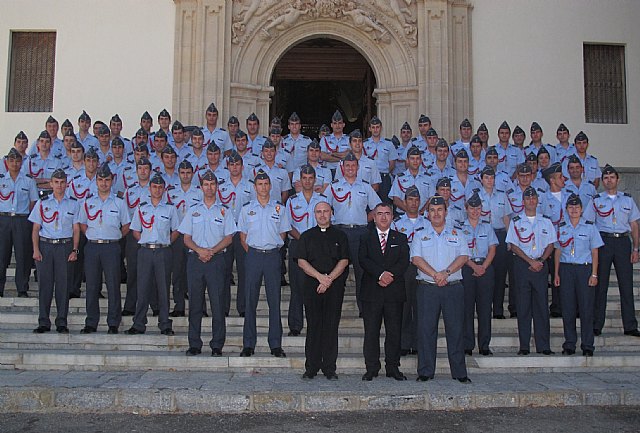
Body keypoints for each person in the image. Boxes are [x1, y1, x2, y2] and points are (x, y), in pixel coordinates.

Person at [411, 194, 471, 383]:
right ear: (427, 214)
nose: (436, 213)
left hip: (452, 287)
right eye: (432, 210)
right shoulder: (420, 234)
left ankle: (460, 372)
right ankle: (426, 371)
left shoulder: (458, 233)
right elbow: (416, 259)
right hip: (428, 288)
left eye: (439, 210)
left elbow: (464, 256)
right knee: (426, 330)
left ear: (446, 212)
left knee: (456, 330)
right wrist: (435, 275)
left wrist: (445, 273)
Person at [179, 170, 236, 356]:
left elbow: (229, 237)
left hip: (216, 260)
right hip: (195, 260)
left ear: (217, 187)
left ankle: (217, 344)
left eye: (212, 184)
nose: (209, 188)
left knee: (218, 304)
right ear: (201, 187)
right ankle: (194, 344)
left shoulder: (224, 211)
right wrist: (200, 251)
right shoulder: (193, 210)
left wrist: (212, 251)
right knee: (195, 304)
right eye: (206, 184)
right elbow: (186, 238)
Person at [237, 170, 291, 357]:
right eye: (260, 184)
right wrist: (254, 252)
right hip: (253, 256)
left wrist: (271, 249)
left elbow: (283, 233)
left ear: (270, 186)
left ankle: (275, 344)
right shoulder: (246, 209)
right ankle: (248, 344)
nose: (263, 187)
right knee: (250, 300)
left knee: (274, 301)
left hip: (272, 256)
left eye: (266, 184)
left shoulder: (279, 208)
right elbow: (243, 236)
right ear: (255, 187)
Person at [293, 201, 350, 380]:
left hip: (334, 286)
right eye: (319, 212)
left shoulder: (341, 236)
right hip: (312, 286)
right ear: (314, 214)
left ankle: (329, 368)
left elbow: (344, 260)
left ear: (331, 213)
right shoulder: (307, 236)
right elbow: (301, 261)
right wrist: (320, 278)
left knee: (331, 326)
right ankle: (311, 367)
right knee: (314, 326)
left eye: (326, 211)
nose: (322, 215)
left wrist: (329, 279)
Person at [326, 152, 381, 317]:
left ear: (358, 168)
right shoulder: (334, 186)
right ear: (342, 168)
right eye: (347, 166)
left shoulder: (365, 186)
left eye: (353, 166)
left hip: (360, 233)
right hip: (339, 232)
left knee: (361, 272)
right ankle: (334, 308)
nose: (350, 168)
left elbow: (378, 207)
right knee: (336, 272)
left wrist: (366, 218)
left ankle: (364, 309)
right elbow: (323, 206)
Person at [359, 203, 409, 381]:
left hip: (394, 292)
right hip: (372, 291)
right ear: (373, 216)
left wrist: (390, 275)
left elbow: (404, 261)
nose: (383, 217)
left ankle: (393, 367)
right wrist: (380, 274)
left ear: (392, 216)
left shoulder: (400, 238)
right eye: (379, 213)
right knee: (371, 331)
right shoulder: (365, 237)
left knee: (394, 332)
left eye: (387, 213)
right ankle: (372, 367)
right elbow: (362, 259)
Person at [77, 163, 130, 334]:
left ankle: (113, 322)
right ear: (96, 181)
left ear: (112, 181)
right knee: (92, 286)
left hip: (111, 247)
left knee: (113, 285)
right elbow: (82, 224)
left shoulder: (119, 203)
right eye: (100, 180)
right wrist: (93, 236)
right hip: (92, 247)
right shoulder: (88, 202)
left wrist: (114, 236)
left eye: (107, 180)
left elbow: (127, 225)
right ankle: (91, 322)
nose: (104, 183)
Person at [126, 172, 179, 335]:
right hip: (145, 252)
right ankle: (139, 323)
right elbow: (135, 230)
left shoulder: (170, 208)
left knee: (163, 289)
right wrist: (146, 239)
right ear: (149, 189)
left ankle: (164, 324)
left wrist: (166, 241)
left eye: (160, 187)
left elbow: (176, 229)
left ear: (164, 190)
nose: (157, 190)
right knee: (142, 288)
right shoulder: (141, 208)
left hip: (163, 251)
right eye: (154, 187)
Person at [506, 186, 556, 355]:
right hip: (523, 266)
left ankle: (544, 346)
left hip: (541, 266)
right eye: (528, 199)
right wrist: (530, 261)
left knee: (542, 306)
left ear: (537, 200)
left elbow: (551, 244)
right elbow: (513, 245)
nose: (531, 201)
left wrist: (540, 260)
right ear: (523, 202)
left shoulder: (546, 221)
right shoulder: (516, 221)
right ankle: (524, 346)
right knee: (523, 307)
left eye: (533, 198)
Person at [29, 168, 80, 333]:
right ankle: (43, 321)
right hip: (46, 246)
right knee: (45, 285)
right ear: (51, 184)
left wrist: (75, 250)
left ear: (67, 184)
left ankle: (61, 322)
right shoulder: (42, 203)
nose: (59, 185)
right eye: (56, 182)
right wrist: (36, 250)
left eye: (62, 182)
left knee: (63, 286)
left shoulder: (73, 203)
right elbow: (36, 229)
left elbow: (76, 229)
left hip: (64, 246)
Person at [592, 164, 640, 337]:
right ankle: (597, 324)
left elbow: (634, 225)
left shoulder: (627, 200)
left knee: (626, 285)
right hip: (604, 241)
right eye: (605, 178)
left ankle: (630, 325)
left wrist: (636, 248)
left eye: (612, 177)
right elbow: (590, 225)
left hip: (622, 242)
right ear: (602, 181)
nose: (609, 180)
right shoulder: (596, 200)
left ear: (618, 180)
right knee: (601, 285)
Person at [554, 194, 603, 356]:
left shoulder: (590, 227)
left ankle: (588, 344)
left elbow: (595, 252)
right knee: (568, 308)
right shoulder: (561, 227)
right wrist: (556, 273)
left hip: (584, 269)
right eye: (570, 207)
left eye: (577, 207)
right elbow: (558, 251)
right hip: (567, 269)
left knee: (586, 308)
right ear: (566, 209)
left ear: (582, 209)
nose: (574, 210)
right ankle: (569, 343)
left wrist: (594, 274)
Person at [285, 165, 328, 336]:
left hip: (319, 247)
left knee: (317, 286)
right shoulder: (292, 200)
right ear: (300, 180)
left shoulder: (323, 200)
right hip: (297, 244)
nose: (308, 181)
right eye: (304, 178)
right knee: (297, 287)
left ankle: (316, 324)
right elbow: (287, 225)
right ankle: (295, 325)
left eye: (311, 178)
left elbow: (327, 221)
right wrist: (303, 240)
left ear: (315, 179)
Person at [460, 192, 497, 356]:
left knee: (484, 309)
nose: (475, 211)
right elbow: (459, 252)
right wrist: (474, 266)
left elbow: (492, 249)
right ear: (466, 209)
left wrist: (483, 267)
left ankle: (484, 345)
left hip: (485, 268)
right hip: (467, 267)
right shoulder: (460, 228)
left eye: (478, 208)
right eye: (472, 208)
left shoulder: (487, 227)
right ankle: (468, 344)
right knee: (467, 308)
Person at [392, 186, 426, 356]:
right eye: (410, 200)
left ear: (420, 202)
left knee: (420, 307)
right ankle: (404, 343)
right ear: (404, 202)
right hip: (404, 269)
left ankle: (419, 344)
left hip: (423, 269)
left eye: (416, 200)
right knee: (404, 308)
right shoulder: (397, 223)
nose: (413, 203)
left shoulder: (427, 223)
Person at [0, 148, 38, 297]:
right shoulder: (1, 180)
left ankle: (22, 288)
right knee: (2, 255)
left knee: (23, 256)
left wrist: (24, 216)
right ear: (7, 163)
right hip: (3, 219)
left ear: (21, 162)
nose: (14, 163)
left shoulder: (28, 181)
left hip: (22, 219)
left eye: (17, 160)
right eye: (11, 161)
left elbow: (33, 201)